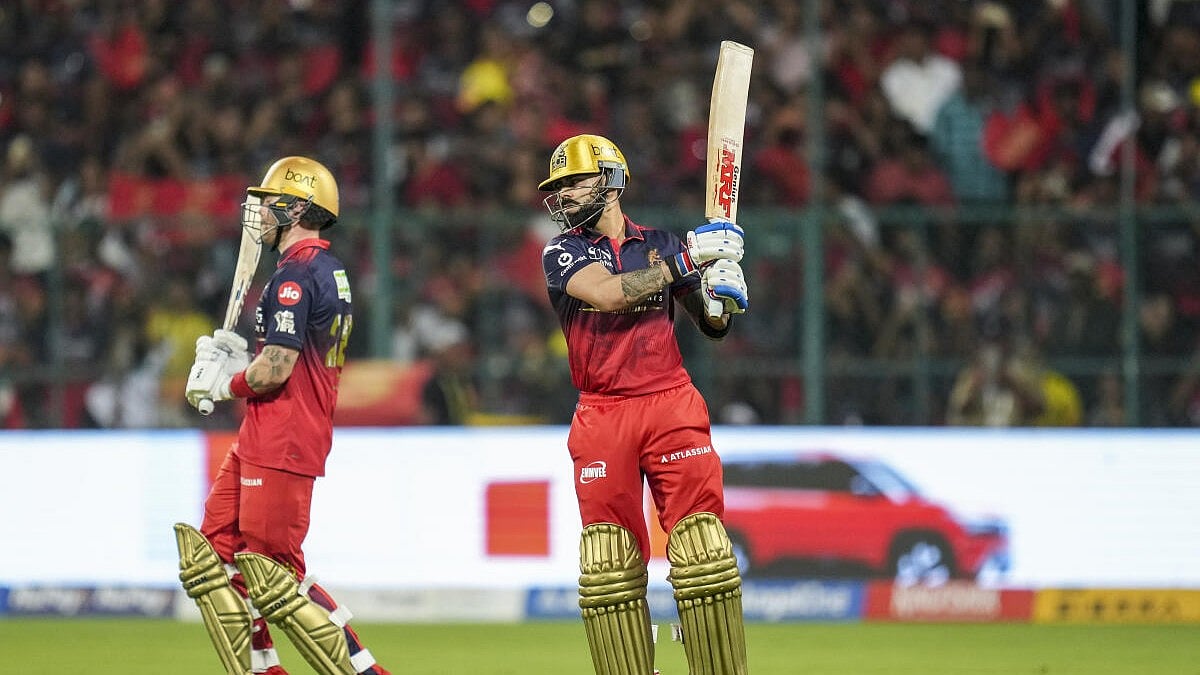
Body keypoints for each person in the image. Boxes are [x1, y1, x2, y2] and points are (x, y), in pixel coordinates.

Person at [538, 134, 750, 674]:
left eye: (574, 182)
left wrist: (721, 292)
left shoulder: (659, 241)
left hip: (670, 402)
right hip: (603, 411)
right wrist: (688, 259)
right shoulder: (561, 251)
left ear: (611, 181)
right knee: (609, 563)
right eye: (557, 187)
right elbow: (610, 294)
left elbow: (711, 324)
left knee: (706, 551)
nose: (563, 195)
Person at [176, 156, 389, 675]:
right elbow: (281, 361)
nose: (261, 215)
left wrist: (223, 383)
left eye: (271, 205)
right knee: (211, 558)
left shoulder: (295, 276)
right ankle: (264, 670)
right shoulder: (324, 268)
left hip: (284, 434)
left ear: (297, 207)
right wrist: (239, 360)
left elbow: (276, 369)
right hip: (271, 431)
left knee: (276, 576)